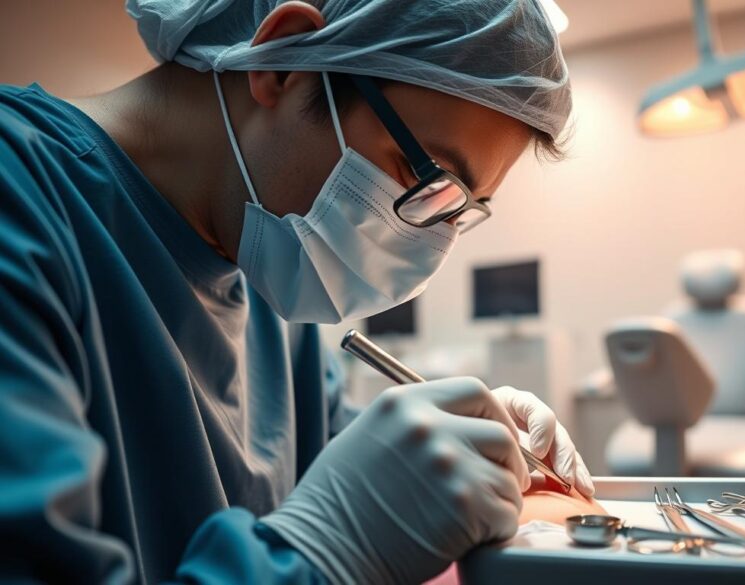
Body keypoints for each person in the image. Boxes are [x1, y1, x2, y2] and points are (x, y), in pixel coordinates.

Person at [0, 0, 592, 583]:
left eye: (461, 210)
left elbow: (346, 466)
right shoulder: (21, 199)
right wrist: (326, 549)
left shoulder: (268, 277)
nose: (433, 244)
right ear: (286, 63)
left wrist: (459, 443)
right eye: (426, 178)